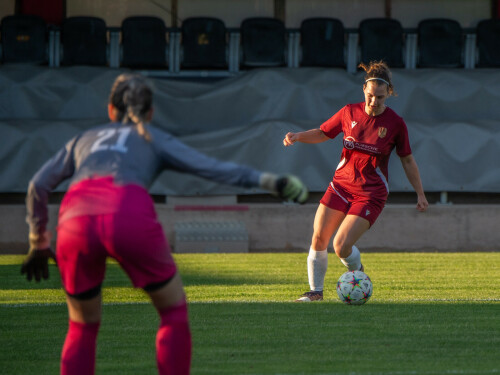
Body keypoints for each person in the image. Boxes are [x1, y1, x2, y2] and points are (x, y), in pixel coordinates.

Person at [21, 73, 308, 375]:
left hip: (74, 219)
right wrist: (270, 181)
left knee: (82, 326)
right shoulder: (151, 137)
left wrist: (38, 240)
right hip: (126, 211)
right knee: (172, 313)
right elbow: (212, 168)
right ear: (151, 112)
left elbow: (37, 185)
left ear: (110, 109)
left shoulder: (84, 138)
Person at [283, 61, 428, 302]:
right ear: (364, 90)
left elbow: (408, 160)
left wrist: (420, 194)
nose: (374, 102)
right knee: (319, 237)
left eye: (380, 98)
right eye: (370, 96)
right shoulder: (349, 111)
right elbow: (323, 132)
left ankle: (358, 274)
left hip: (371, 193)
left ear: (388, 94)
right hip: (340, 185)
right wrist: (298, 136)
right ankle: (315, 292)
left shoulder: (395, 123)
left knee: (341, 246)